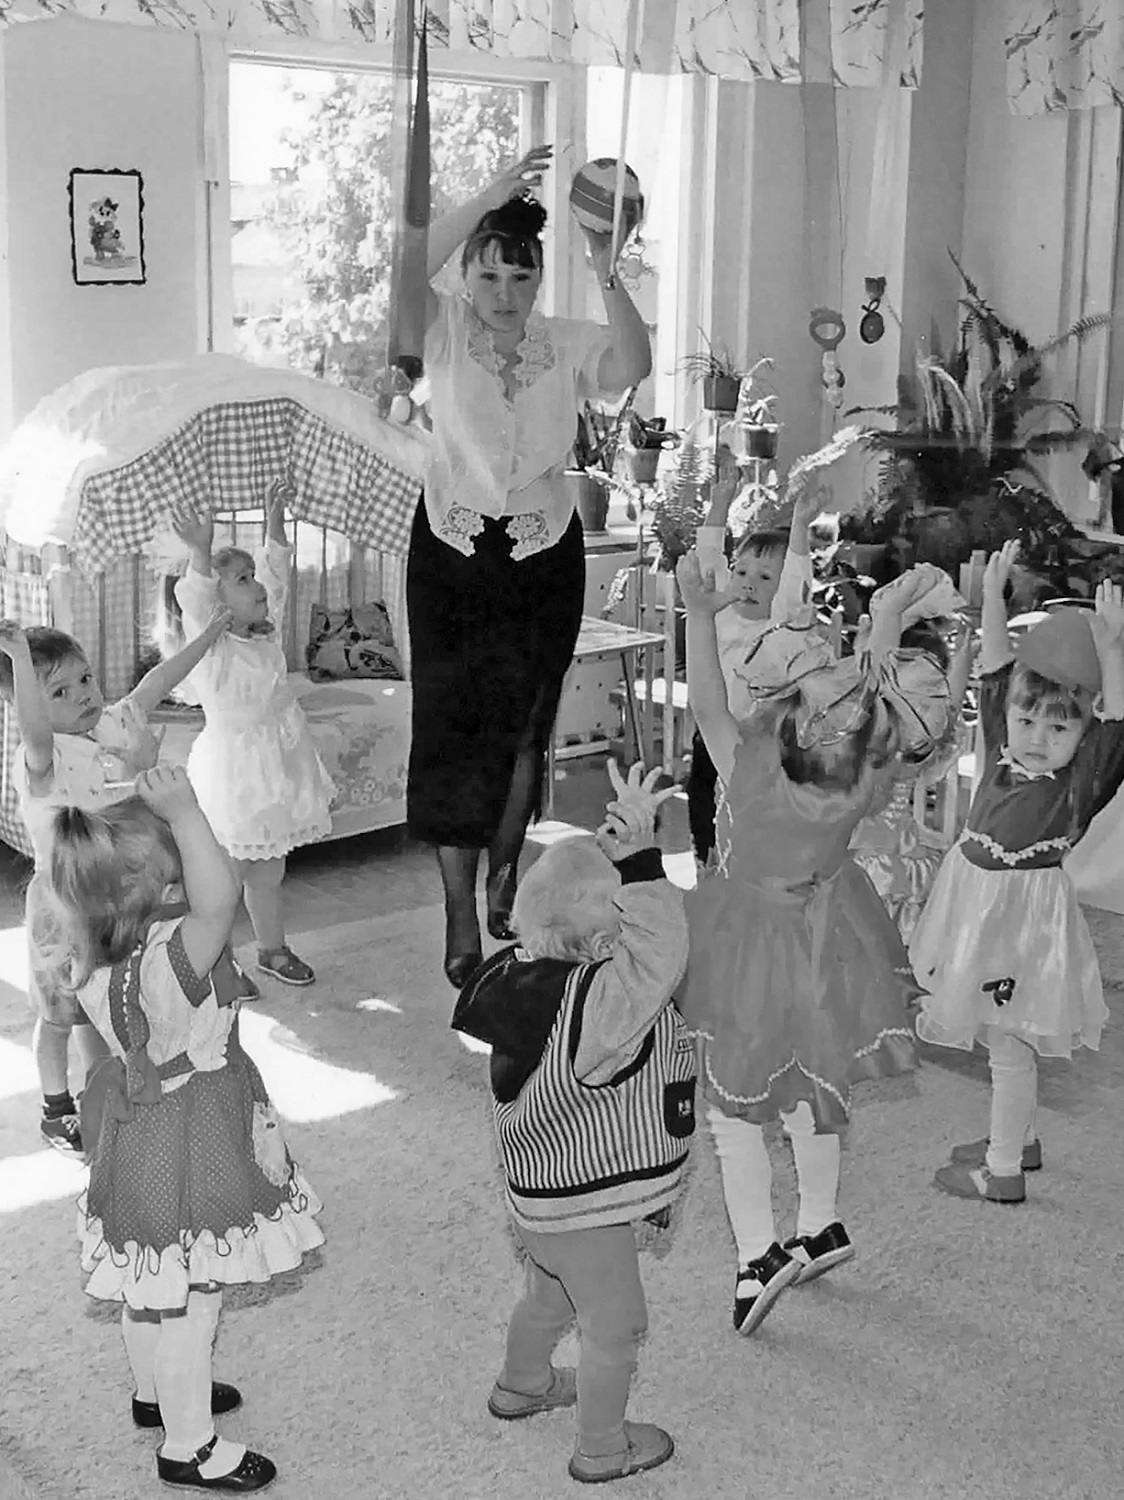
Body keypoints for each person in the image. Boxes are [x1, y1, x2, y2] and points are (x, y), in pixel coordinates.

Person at [675, 554, 953, 1336]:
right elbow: (871, 710)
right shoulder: (859, 782)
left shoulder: (743, 767)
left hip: (752, 948)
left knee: (734, 1111)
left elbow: (704, 700)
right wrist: (886, 622)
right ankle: (821, 1224)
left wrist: (699, 615)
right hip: (828, 941)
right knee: (807, 1091)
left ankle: (758, 1256)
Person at [408, 142, 653, 988]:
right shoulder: (440, 331)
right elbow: (410, 258)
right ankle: (456, 907)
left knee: (522, 731)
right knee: (451, 732)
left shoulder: (568, 342)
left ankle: (504, 877)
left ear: (541, 278)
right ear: (467, 275)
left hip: (543, 552)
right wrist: (486, 197)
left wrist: (606, 266)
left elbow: (633, 365)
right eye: (489, 275)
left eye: (522, 276)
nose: (505, 293)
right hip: (450, 552)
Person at [40, 763, 323, 1493]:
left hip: (136, 1140)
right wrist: (187, 809)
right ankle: (189, 1446)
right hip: (192, 1140)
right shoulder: (175, 955)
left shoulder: (94, 953)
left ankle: (152, 1394)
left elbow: (205, 889)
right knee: (194, 1306)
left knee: (148, 1286)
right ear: (164, 884)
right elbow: (222, 893)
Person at [451, 762, 692, 1485]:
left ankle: (522, 1382)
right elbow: (661, 953)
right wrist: (643, 861)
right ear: (602, 945)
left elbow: (600, 923)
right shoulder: (602, 1008)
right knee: (615, 1324)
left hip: (536, 1199)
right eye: (622, 915)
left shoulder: (518, 977)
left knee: (549, 1294)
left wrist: (617, 857)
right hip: (586, 1207)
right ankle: (602, 1447)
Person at [910, 541, 1124, 1204]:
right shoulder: (1003, 746)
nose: (1036, 737)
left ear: (1082, 735)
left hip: (1022, 924)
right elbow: (999, 671)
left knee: (1008, 1042)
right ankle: (1020, 1139)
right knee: (1003, 1036)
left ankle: (1001, 1170)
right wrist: (994, 601)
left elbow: (1118, 723)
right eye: (1026, 720)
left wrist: (1113, 649)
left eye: (1058, 730)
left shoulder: (1080, 782)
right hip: (973, 906)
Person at [0, 607, 235, 1155]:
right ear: (27, 702)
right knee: (59, 1015)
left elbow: (159, 680)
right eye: (60, 692)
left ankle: (99, 1092)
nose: (83, 695)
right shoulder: (42, 756)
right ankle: (55, 1110)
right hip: (64, 905)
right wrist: (17, 659)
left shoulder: (110, 724)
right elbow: (34, 729)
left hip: (120, 895)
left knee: (105, 1003)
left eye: (85, 679)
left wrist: (206, 635)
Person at [166, 480, 335, 987]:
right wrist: (200, 552)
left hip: (278, 768)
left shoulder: (265, 632)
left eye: (251, 575)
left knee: (268, 872)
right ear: (220, 603)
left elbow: (277, 578)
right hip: (235, 776)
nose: (257, 584)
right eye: (242, 579)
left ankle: (272, 949)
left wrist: (275, 523)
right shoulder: (211, 647)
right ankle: (213, 965)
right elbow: (196, 599)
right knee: (223, 880)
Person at [687, 452, 817, 865]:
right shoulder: (721, 610)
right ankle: (705, 864)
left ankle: (744, 865)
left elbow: (797, 583)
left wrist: (800, 527)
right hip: (712, 736)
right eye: (742, 572)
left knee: (747, 818)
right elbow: (709, 559)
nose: (748, 584)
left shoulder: (781, 625)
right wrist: (720, 504)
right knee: (701, 804)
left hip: (760, 745)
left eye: (764, 578)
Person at [850, 605, 975, 942]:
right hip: (852, 846)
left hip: (889, 850)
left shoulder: (914, 741)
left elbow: (947, 712)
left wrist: (961, 663)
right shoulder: (863, 725)